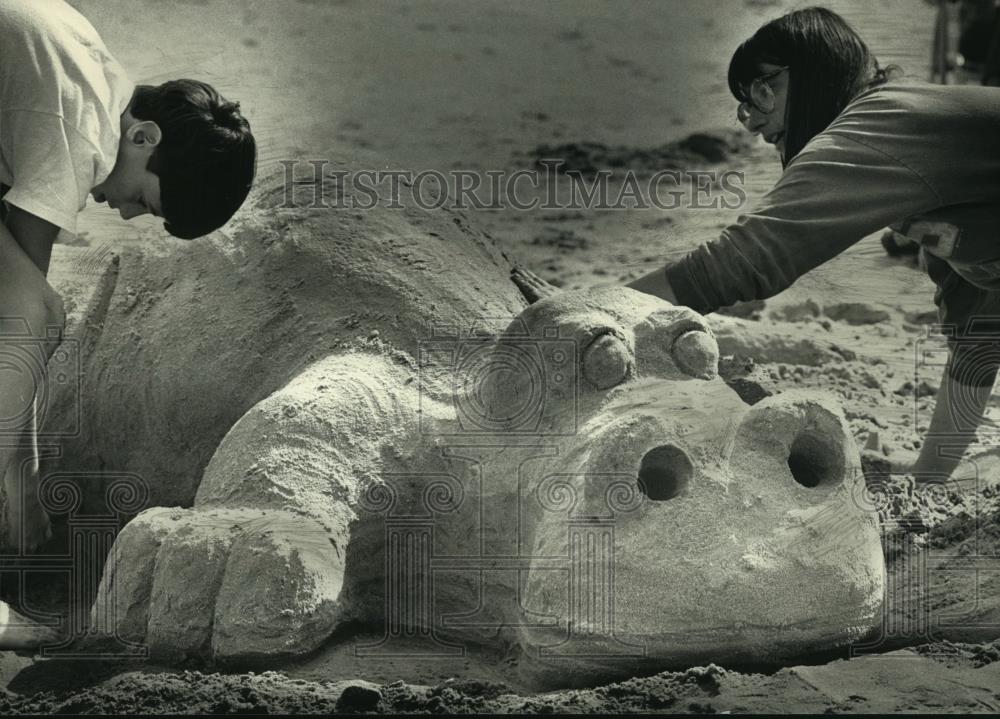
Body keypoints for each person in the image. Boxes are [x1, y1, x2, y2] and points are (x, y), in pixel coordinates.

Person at [515, 6, 1000, 485]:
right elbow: (980, 331)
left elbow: (747, 260)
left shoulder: (882, 121)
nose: (751, 120)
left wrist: (596, 313)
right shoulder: (918, 159)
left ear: (815, 74)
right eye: (745, 101)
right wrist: (930, 477)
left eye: (763, 90)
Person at [0, 0, 255, 645]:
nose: (124, 212)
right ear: (144, 138)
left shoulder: (92, 74)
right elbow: (23, 318)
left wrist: (23, 478)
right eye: (143, 198)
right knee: (34, 311)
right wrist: (23, 485)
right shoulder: (80, 127)